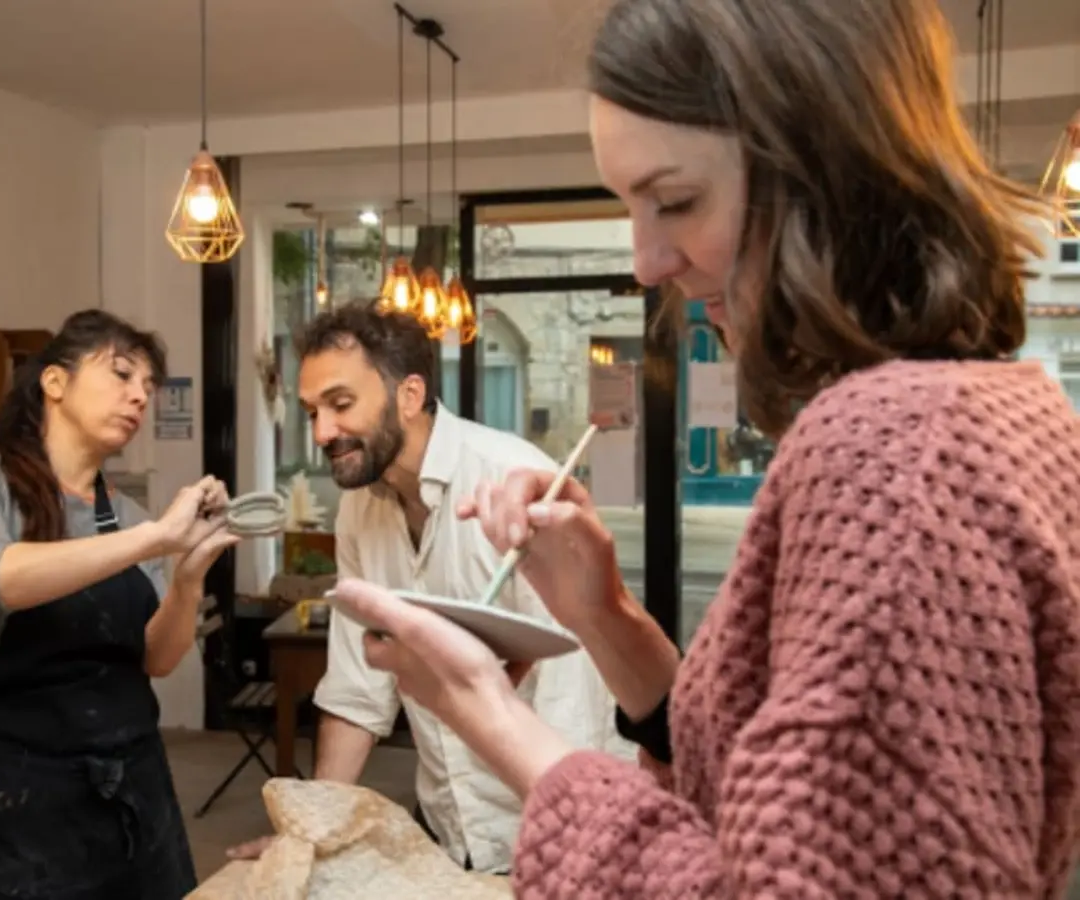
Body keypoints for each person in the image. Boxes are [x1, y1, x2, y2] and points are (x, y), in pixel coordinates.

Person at [324, 0, 1080, 897]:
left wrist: (485, 711)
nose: (645, 261)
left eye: (676, 201)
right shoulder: (980, 409)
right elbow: (758, 791)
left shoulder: (896, 458)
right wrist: (604, 615)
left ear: (831, 173)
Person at [229, 304, 632, 874]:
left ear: (410, 395)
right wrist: (311, 834)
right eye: (312, 411)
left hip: (556, 831)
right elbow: (357, 688)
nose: (322, 432)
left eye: (341, 405)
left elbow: (574, 709)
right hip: (449, 831)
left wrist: (568, 860)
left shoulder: (512, 485)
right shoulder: (357, 511)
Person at [0, 309, 239, 900]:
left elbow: (156, 659)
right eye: (122, 375)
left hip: (128, 784)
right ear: (54, 381)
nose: (138, 396)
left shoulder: (128, 517)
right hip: (5, 791)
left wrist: (188, 578)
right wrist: (157, 540)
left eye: (147, 388)